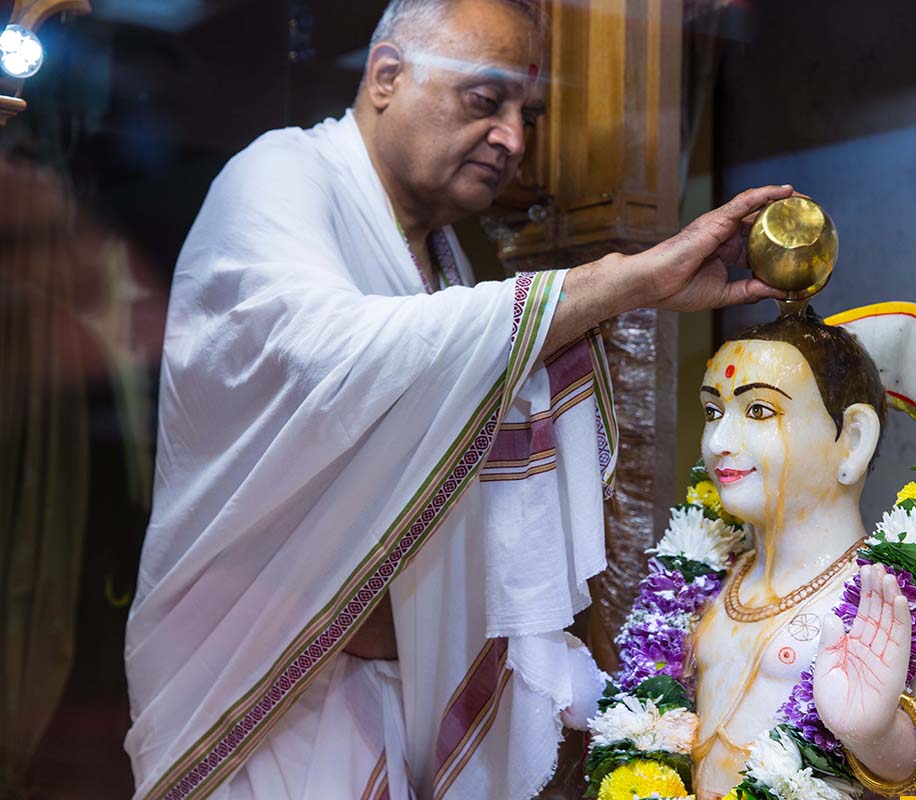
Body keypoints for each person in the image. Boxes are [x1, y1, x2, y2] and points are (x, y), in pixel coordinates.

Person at [121, 0, 792, 797]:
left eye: (525, 114)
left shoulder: (443, 260)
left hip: (388, 694)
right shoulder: (280, 173)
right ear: (385, 77)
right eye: (485, 101)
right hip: (261, 690)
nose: (512, 136)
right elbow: (325, 356)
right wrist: (626, 280)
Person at [691, 312, 916, 797]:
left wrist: (876, 736)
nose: (720, 442)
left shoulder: (891, 591)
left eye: (759, 411)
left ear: (851, 441)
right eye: (713, 412)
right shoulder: (712, 575)